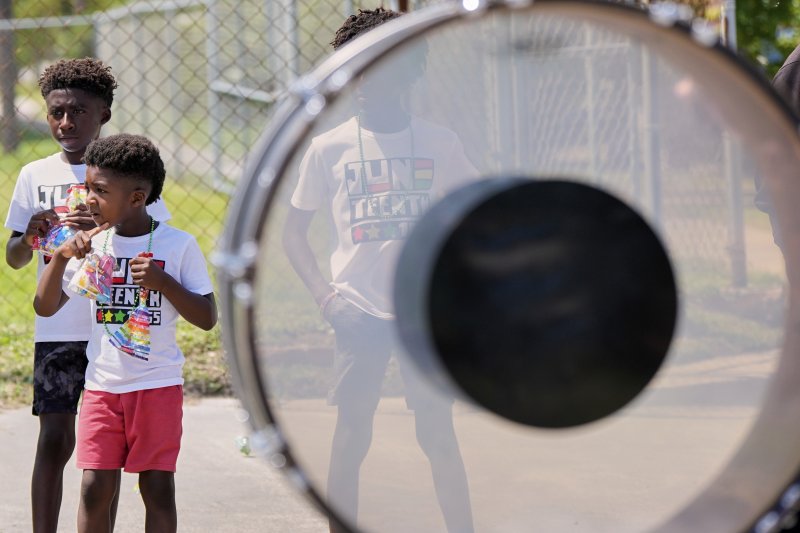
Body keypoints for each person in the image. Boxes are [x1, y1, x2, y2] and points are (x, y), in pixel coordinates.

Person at [283, 8, 476, 532]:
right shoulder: (329, 148)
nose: (366, 80)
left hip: (422, 314)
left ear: (410, 71)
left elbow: (473, 218)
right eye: (355, 68)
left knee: (437, 433)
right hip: (358, 312)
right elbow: (293, 232)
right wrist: (327, 299)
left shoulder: (440, 143)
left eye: (381, 67)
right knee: (352, 432)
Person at [3, 57, 170, 533]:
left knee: (106, 452)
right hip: (57, 326)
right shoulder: (34, 174)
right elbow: (16, 257)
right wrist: (32, 236)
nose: (65, 122)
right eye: (56, 111)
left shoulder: (127, 168)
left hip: (113, 328)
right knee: (54, 439)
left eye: (78, 111)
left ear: (104, 116)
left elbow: (156, 234)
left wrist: (105, 227)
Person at [33, 133, 217, 533]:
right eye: (87, 187)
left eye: (99, 190)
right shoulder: (95, 247)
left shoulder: (178, 245)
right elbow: (45, 307)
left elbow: (206, 316)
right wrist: (60, 255)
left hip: (157, 386)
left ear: (135, 198)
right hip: (102, 387)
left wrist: (165, 283)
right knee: (95, 487)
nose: (88, 199)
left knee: (157, 488)